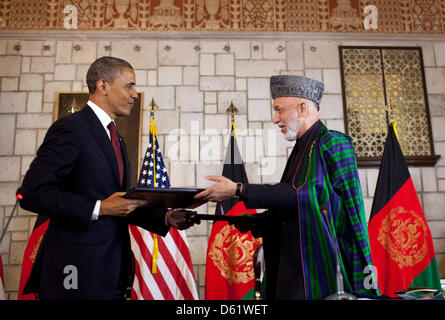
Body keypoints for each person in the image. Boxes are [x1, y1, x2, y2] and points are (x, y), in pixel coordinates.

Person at [18, 56, 196, 300]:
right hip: (74, 273)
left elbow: (120, 204)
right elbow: (32, 194)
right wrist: (99, 208)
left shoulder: (116, 138)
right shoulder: (71, 129)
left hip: (111, 272)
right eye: (129, 86)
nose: (135, 94)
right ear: (102, 86)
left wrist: (165, 217)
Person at [195, 75, 376, 300]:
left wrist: (239, 190)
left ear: (302, 107)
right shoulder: (301, 148)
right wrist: (255, 221)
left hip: (320, 270)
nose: (275, 119)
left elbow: (309, 196)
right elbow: (293, 208)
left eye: (279, 109)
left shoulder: (333, 143)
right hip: (289, 270)